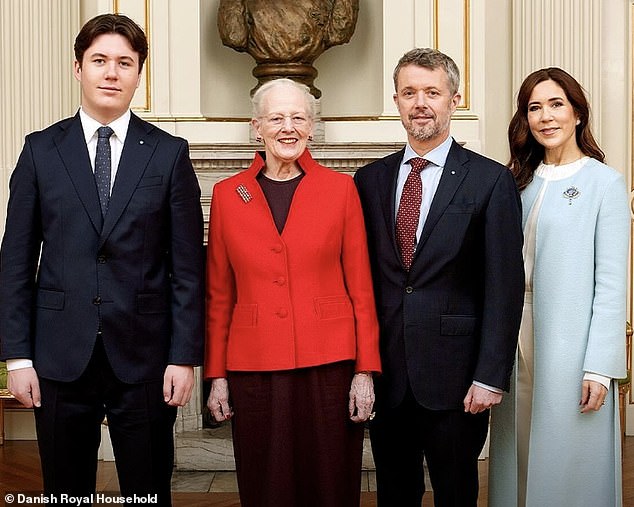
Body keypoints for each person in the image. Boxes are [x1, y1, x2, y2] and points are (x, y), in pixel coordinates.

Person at [0, 14, 204, 505]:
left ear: (138, 74)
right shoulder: (40, 150)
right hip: (57, 356)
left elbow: (187, 269)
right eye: (100, 61)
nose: (112, 73)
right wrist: (18, 357)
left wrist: (183, 356)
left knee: (147, 492)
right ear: (78, 68)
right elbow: (15, 263)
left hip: (146, 358)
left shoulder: (169, 154)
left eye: (125, 63)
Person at [354, 48, 525, 506]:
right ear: (396, 101)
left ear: (455, 99)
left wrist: (490, 375)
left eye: (433, 92)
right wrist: (362, 367)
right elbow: (361, 281)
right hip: (388, 374)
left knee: (456, 493)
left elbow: (504, 289)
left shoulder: (490, 181)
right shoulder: (368, 180)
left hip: (457, 378)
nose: (420, 103)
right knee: (394, 492)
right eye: (409, 93)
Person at [205, 77, 381, 507]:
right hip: (254, 363)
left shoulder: (341, 190)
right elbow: (218, 295)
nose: (288, 128)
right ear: (256, 127)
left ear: (312, 126)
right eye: (276, 118)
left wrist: (365, 371)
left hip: (330, 363)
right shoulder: (228, 195)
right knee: (266, 481)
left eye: (299, 118)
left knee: (331, 480)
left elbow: (361, 287)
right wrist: (216, 377)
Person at [488, 67, 629, 507]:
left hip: (572, 348)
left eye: (556, 104)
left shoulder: (604, 183)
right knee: (516, 454)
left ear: (577, 114)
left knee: (569, 461)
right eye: (534, 107)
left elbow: (611, 283)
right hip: (513, 340)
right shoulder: (513, 183)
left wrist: (599, 368)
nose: (545, 116)